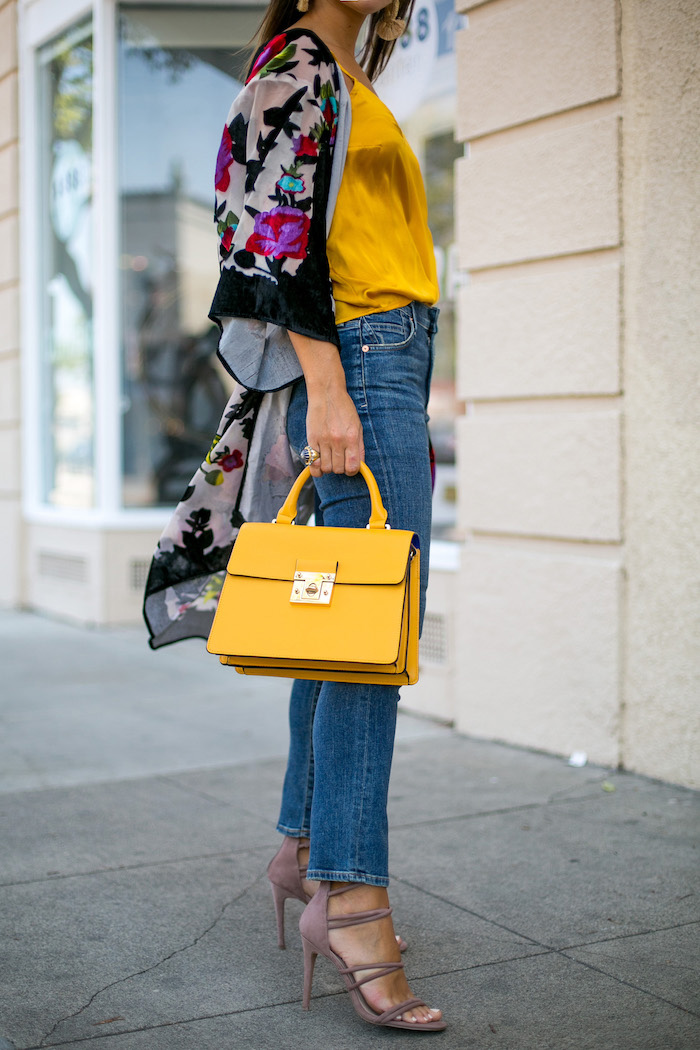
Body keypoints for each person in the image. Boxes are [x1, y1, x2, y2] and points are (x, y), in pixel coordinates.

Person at [144, 0, 444, 1032]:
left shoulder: (341, 73)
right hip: (360, 357)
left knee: (340, 623)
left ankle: (306, 846)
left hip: (383, 353)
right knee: (375, 638)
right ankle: (353, 896)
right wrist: (328, 389)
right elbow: (265, 246)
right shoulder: (300, 63)